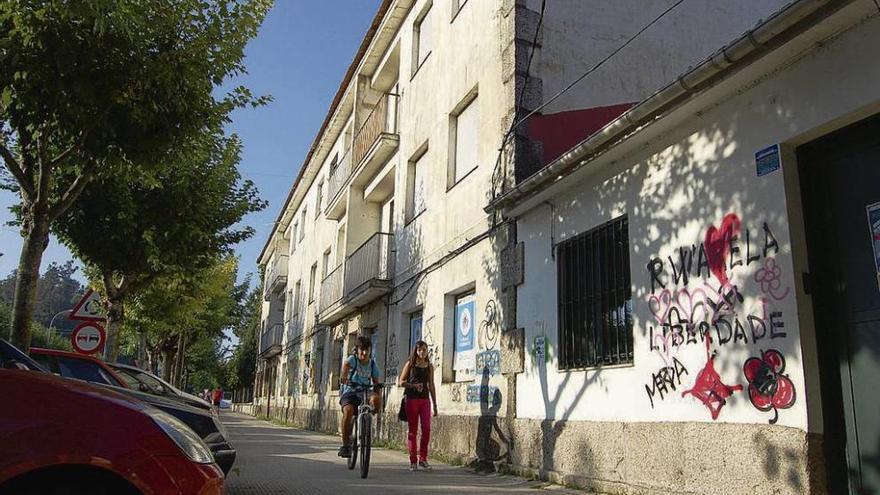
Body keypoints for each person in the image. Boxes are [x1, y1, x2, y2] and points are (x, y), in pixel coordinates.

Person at [338, 335, 382, 458]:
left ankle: (367, 418)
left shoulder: (372, 364)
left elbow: (376, 382)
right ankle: (346, 445)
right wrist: (345, 378)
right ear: (357, 350)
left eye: (367, 350)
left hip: (365, 392)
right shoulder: (353, 359)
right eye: (361, 350)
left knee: (376, 399)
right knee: (348, 411)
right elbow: (346, 366)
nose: (364, 353)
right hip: (350, 391)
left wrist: (377, 402)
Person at [398, 340, 437, 471]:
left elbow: (431, 385)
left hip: (425, 400)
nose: (422, 352)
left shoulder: (429, 366)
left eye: (424, 350)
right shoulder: (410, 364)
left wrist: (435, 404)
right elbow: (401, 382)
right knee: (413, 431)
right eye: (419, 350)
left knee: (426, 429)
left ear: (427, 351)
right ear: (416, 351)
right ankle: (413, 461)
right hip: (412, 400)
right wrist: (414, 386)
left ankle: (423, 459)